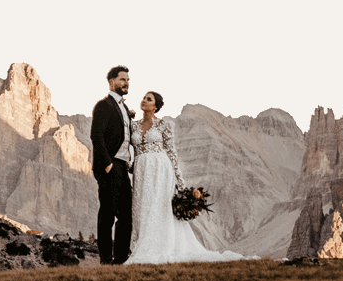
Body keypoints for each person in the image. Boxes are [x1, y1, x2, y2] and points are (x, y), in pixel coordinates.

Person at [126, 91, 243, 264]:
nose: (144, 101)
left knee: (159, 207)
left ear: (155, 107)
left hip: (161, 170)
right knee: (142, 207)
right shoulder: (133, 126)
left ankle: (159, 246)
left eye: (148, 99)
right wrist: (130, 166)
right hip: (142, 172)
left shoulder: (164, 125)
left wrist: (178, 179)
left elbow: (171, 152)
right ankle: (141, 244)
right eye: (144, 98)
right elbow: (134, 151)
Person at [89, 65, 135, 264]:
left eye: (128, 80)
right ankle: (106, 260)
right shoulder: (104, 105)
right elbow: (96, 135)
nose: (126, 83)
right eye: (123, 79)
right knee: (107, 215)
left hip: (123, 168)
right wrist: (107, 164)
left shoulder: (124, 108)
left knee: (126, 216)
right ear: (111, 82)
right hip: (110, 167)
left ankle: (121, 259)